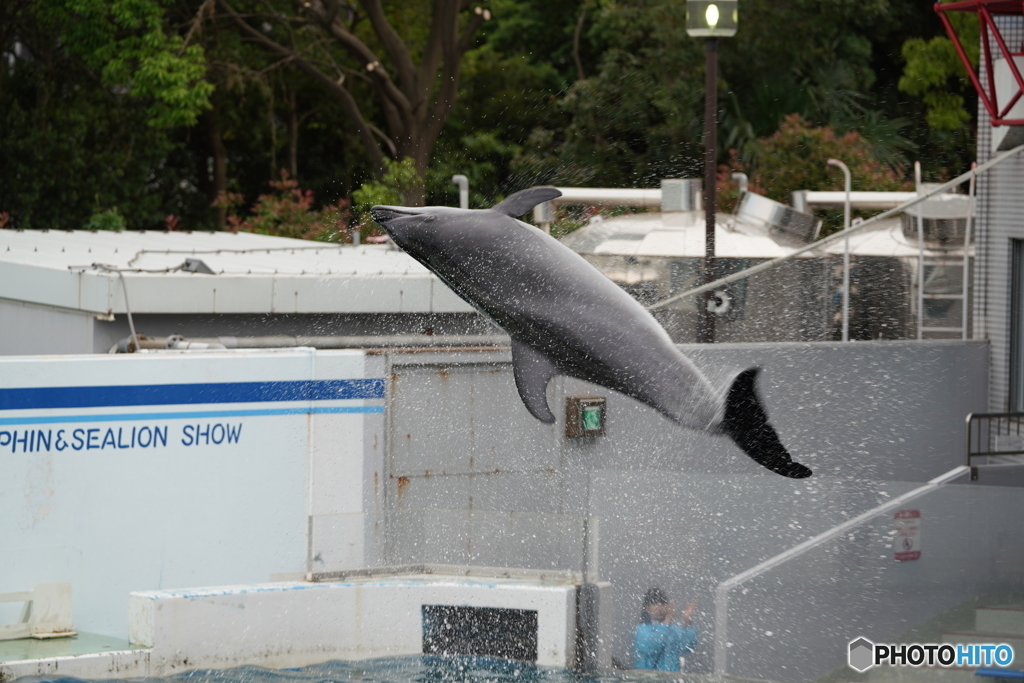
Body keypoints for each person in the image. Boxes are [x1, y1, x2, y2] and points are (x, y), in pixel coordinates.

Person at [634, 588, 698, 672]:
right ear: (646, 608)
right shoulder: (641, 630)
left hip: (671, 679)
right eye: (654, 603)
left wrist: (687, 620)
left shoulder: (673, 629)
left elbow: (689, 647)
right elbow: (650, 646)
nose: (659, 607)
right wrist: (667, 620)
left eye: (662, 603)